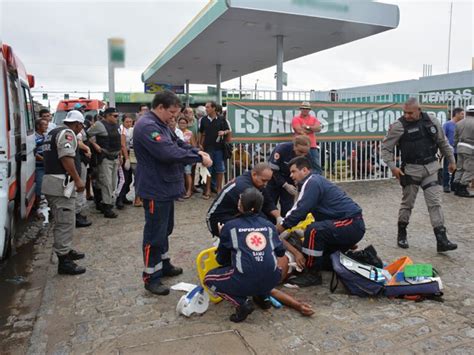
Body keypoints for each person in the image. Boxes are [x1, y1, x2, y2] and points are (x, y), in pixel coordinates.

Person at [133, 90, 212, 296]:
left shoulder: (160, 124)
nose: (174, 117)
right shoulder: (148, 126)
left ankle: (164, 263)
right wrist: (197, 158)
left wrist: (196, 152)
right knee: (154, 234)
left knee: (165, 229)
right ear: (160, 107)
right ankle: (151, 276)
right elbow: (167, 152)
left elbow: (177, 143)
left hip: (164, 187)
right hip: (155, 187)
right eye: (171, 113)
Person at [381, 98, 457, 252]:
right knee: (408, 204)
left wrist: (452, 160)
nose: (407, 115)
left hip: (431, 168)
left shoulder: (431, 121)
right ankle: (402, 233)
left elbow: (443, 142)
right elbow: (386, 148)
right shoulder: (398, 126)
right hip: (410, 170)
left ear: (419, 110)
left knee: (435, 203)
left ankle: (441, 239)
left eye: (410, 112)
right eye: (405, 112)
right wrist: (393, 167)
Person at [276, 156, 365, 287]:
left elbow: (300, 210)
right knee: (316, 241)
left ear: (305, 170)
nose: (291, 175)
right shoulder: (315, 181)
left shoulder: (312, 182)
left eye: (293, 171)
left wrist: (280, 228)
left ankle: (312, 275)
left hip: (350, 223)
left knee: (313, 231)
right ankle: (339, 262)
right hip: (348, 224)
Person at [204, 188, 286, 323]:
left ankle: (242, 303)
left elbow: (221, 260)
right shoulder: (269, 226)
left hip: (246, 278)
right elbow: (281, 252)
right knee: (261, 269)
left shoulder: (230, 227)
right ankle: (262, 297)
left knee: (208, 279)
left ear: (240, 205)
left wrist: (222, 234)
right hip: (273, 278)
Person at [41, 110, 86, 275]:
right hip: (60, 185)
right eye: (81, 126)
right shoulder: (67, 134)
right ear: (77, 124)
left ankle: (65, 250)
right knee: (64, 222)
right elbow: (66, 157)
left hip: (52, 182)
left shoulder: (53, 132)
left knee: (65, 220)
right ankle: (63, 260)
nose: (81, 129)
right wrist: (78, 179)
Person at [206, 163, 281, 238]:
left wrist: (278, 218)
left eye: (268, 181)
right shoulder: (243, 187)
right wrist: (272, 229)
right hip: (218, 219)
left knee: (269, 221)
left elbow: (268, 202)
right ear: (254, 174)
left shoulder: (257, 182)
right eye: (264, 180)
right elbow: (254, 213)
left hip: (236, 214)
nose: (266, 184)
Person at [266, 135, 314, 216]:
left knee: (287, 207)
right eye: (300, 152)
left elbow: (307, 173)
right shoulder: (281, 149)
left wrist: (300, 185)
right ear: (294, 146)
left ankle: (285, 226)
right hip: (274, 178)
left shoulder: (307, 154)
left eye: (305, 152)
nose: (303, 155)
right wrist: (285, 185)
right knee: (270, 205)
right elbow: (272, 170)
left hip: (290, 179)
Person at [87, 107, 122, 218]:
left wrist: (120, 156)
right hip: (105, 158)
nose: (117, 118)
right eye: (115, 116)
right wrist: (94, 144)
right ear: (107, 116)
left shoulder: (116, 125)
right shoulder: (99, 125)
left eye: (117, 116)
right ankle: (107, 207)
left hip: (115, 157)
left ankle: (101, 202)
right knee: (106, 183)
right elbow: (86, 135)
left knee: (112, 183)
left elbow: (118, 141)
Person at [199, 101, 231, 199]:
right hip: (207, 148)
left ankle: (219, 189)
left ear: (213, 108)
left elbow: (228, 130)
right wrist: (199, 144)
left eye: (208, 107)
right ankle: (208, 189)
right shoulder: (203, 120)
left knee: (220, 169)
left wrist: (224, 132)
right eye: (206, 107)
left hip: (219, 148)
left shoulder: (221, 119)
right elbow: (201, 132)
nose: (206, 109)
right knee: (208, 169)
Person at [292, 101, 323, 175]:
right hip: (301, 147)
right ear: (300, 109)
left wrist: (307, 127)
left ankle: (317, 181)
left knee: (316, 166)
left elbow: (318, 128)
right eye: (303, 108)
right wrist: (312, 129)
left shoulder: (313, 118)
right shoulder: (296, 119)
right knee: (300, 165)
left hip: (312, 146)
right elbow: (299, 130)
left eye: (307, 108)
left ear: (309, 110)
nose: (305, 110)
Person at [453, 105, 474, 197]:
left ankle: (456, 186)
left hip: (460, 147)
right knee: (470, 169)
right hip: (470, 148)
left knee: (460, 168)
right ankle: (462, 188)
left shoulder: (459, 123)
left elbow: (455, 138)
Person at [443, 108, 464, 193]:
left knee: (457, 169)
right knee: (446, 168)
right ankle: (445, 185)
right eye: (462, 114)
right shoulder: (447, 125)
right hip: (449, 151)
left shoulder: (461, 125)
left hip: (459, 150)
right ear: (457, 114)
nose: (463, 115)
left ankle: (453, 185)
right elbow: (443, 137)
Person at [116, 114, 134, 209]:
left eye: (130, 121)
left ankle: (124, 196)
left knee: (129, 178)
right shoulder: (121, 129)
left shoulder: (131, 129)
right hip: (122, 154)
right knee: (123, 179)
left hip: (130, 153)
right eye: (127, 121)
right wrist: (126, 159)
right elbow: (122, 145)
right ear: (123, 122)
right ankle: (119, 199)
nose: (129, 123)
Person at [178, 116, 197, 198]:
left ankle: (189, 190)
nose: (182, 124)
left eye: (184, 123)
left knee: (187, 173)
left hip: (187, 156)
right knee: (180, 174)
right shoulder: (176, 132)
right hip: (178, 156)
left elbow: (193, 145)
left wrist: (193, 157)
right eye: (180, 123)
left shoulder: (189, 133)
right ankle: (181, 191)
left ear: (187, 124)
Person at [34, 118, 48, 208]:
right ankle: (36, 208)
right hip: (38, 167)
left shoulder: (43, 136)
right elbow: (34, 153)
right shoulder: (34, 137)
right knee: (38, 188)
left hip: (44, 166)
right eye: (44, 125)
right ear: (38, 126)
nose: (46, 126)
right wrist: (43, 159)